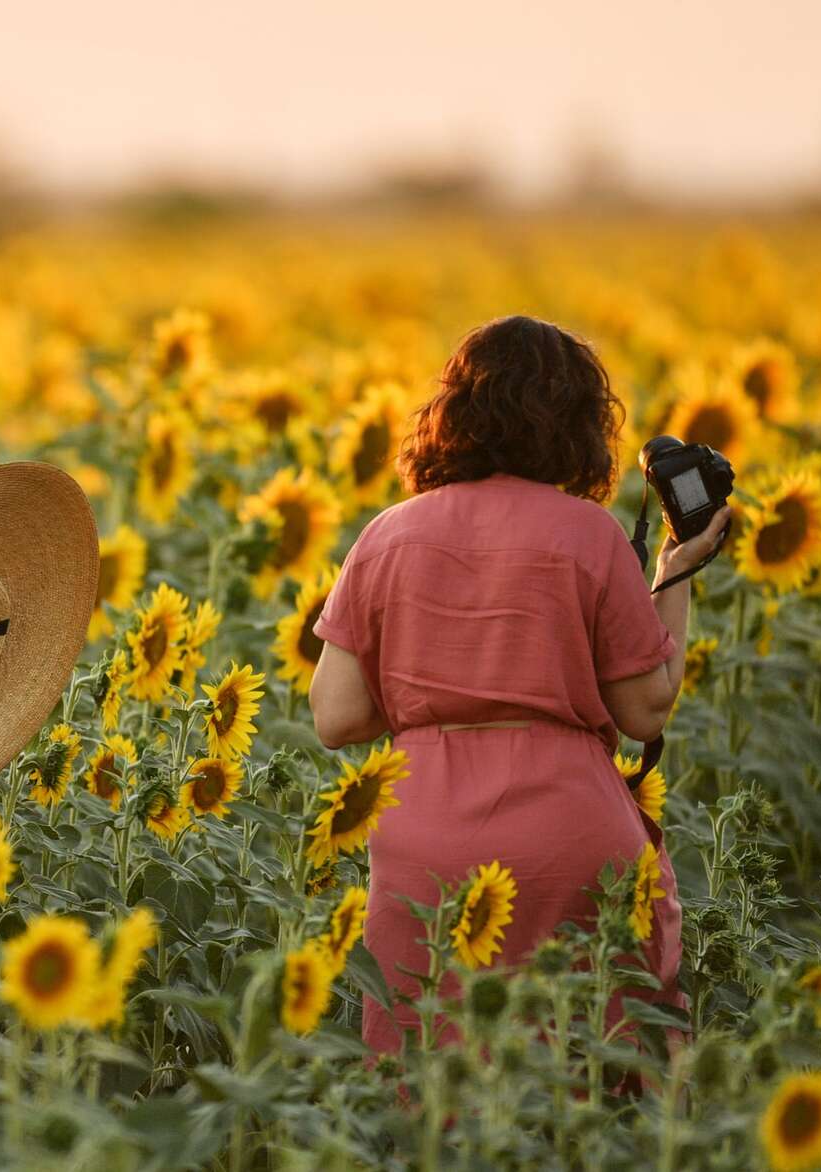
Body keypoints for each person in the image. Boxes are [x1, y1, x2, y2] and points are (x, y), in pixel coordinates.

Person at [307, 315, 729, 1054]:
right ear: (579, 424)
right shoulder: (590, 534)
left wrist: (436, 691)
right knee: (582, 1061)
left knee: (429, 1064)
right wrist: (674, 572)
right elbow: (643, 709)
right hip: (566, 833)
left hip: (423, 833)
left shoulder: (386, 535)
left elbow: (337, 717)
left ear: (452, 413)